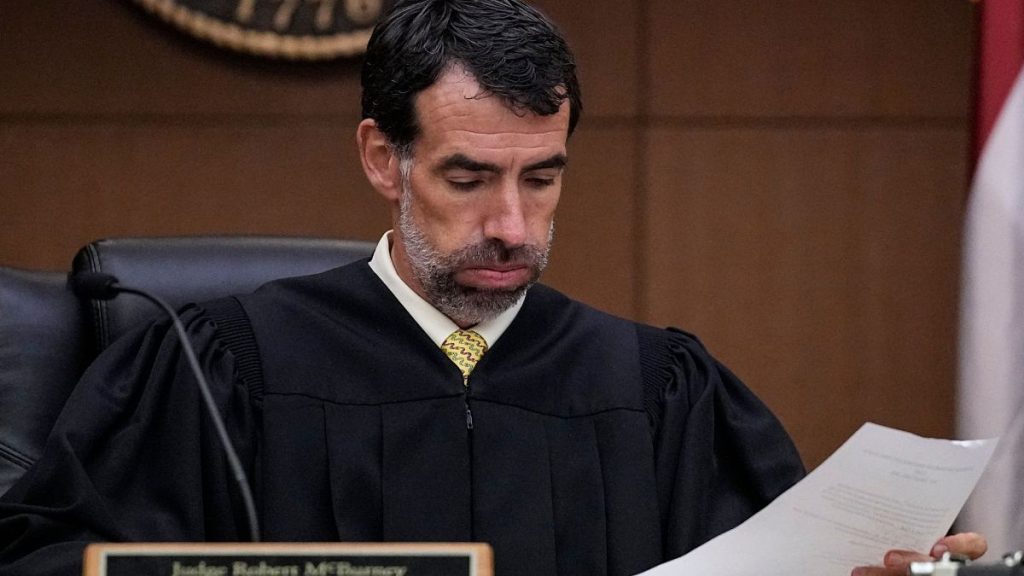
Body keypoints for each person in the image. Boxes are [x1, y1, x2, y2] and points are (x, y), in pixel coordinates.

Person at [0, 0, 987, 574]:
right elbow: (53, 558)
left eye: (542, 178)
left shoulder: (655, 390)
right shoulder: (220, 368)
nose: (513, 226)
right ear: (383, 159)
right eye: (469, 178)